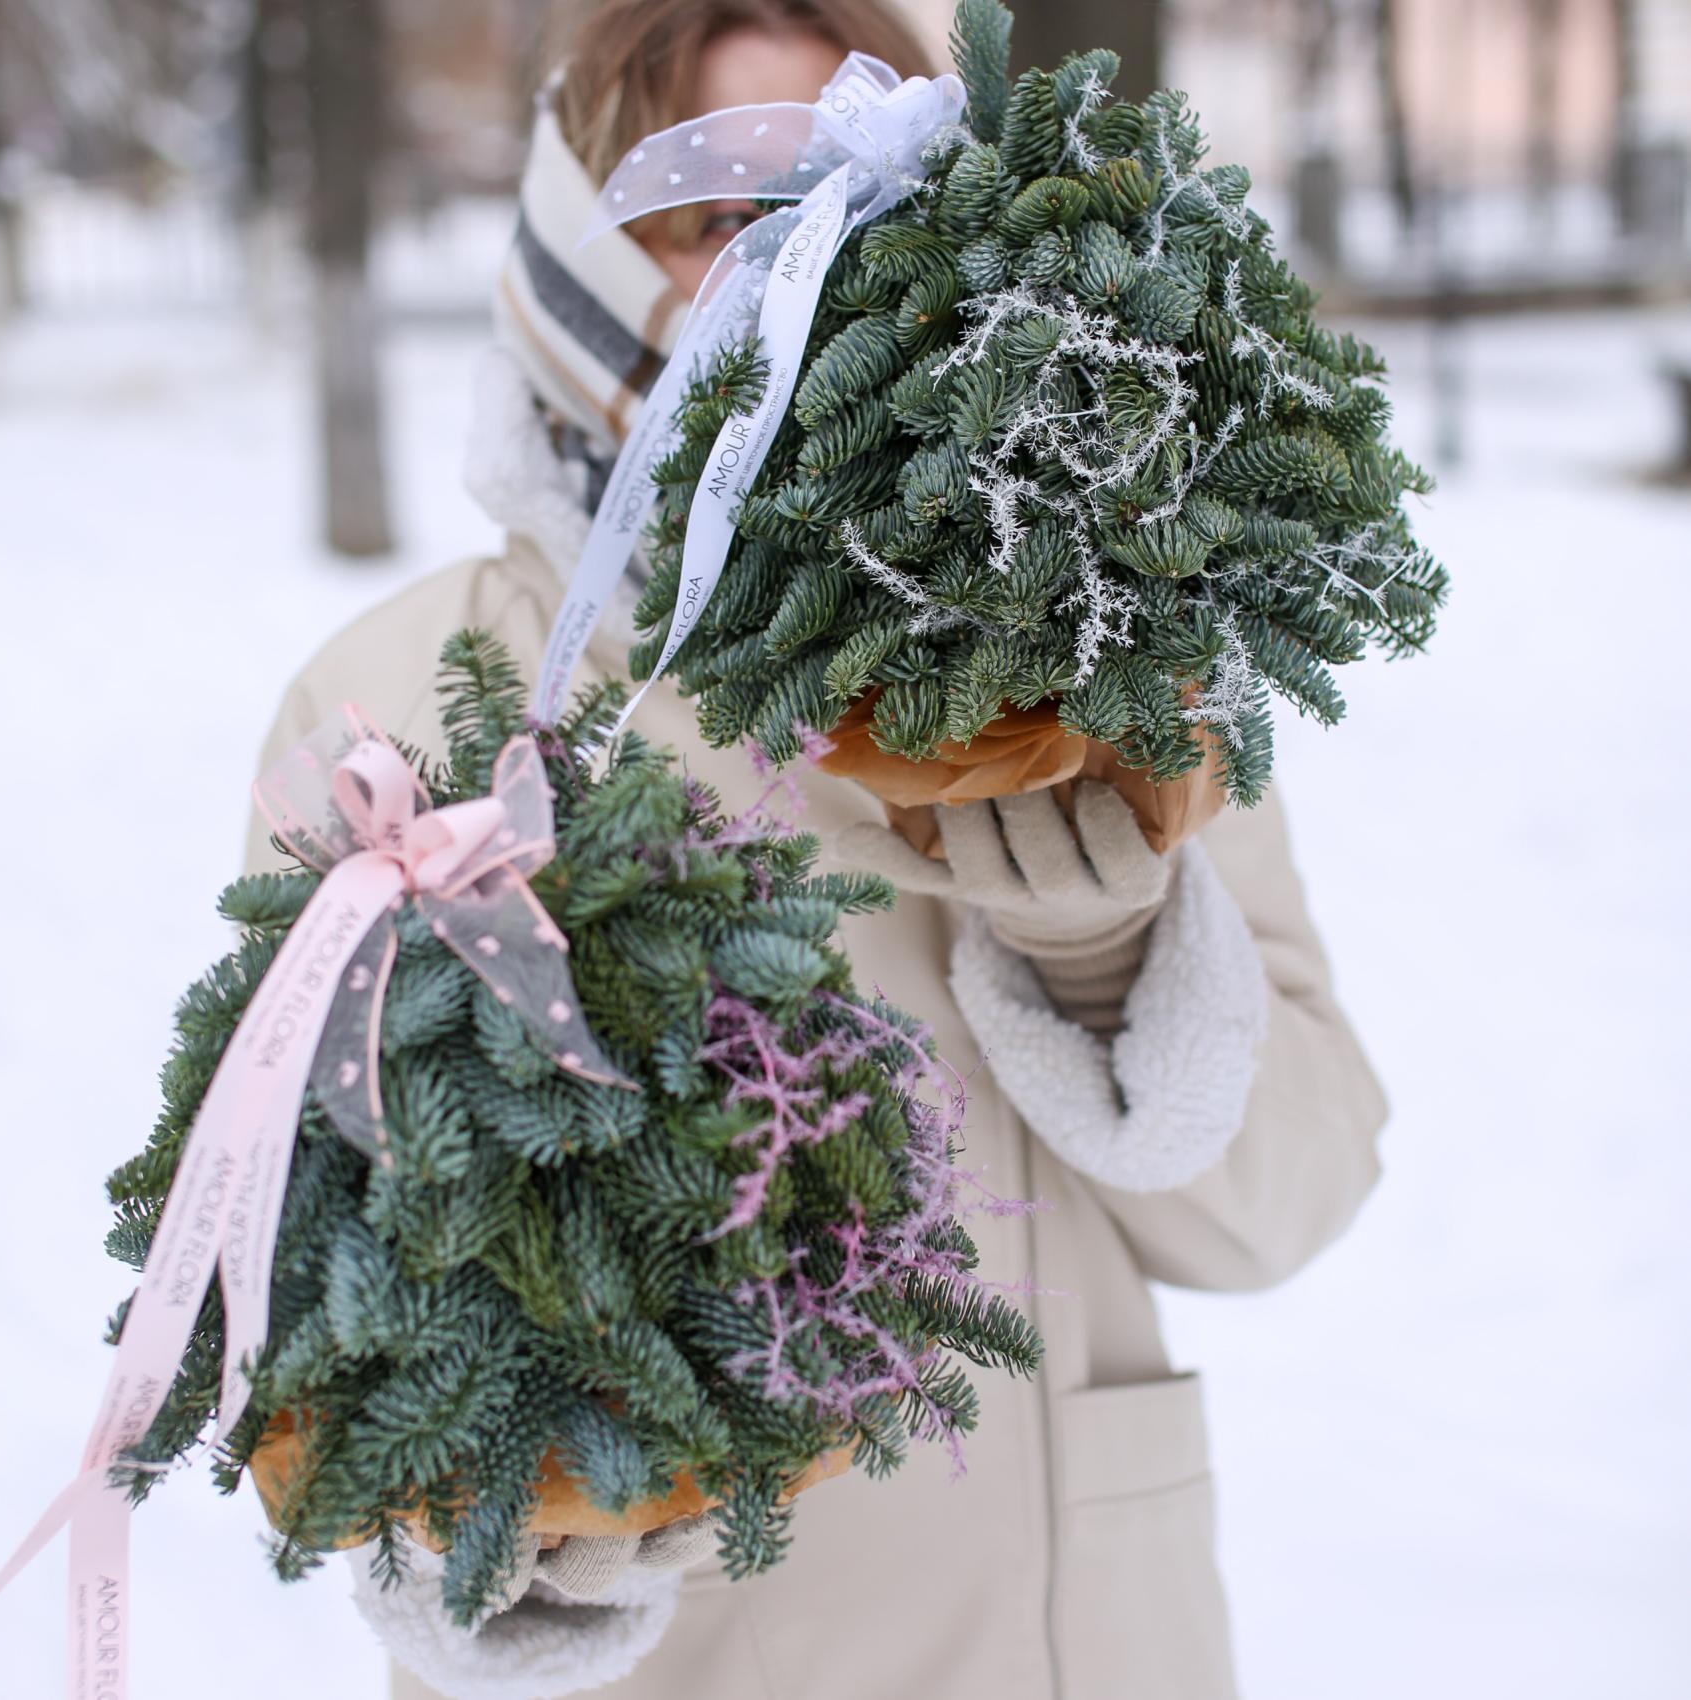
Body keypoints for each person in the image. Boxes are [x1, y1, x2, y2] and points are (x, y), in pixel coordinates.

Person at [246, 2, 1388, 1695]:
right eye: (725, 216)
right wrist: (483, 1549)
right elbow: (325, 1282)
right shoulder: (402, 701)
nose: (807, 264)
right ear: (592, 259)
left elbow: (1283, 1211)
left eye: (856, 195)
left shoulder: (1102, 651)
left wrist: (1113, 963)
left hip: (1076, 1644)